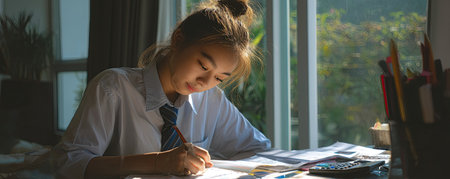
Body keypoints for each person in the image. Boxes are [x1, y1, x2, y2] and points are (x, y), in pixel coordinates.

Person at [51, 0, 271, 178]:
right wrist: (156, 162)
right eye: (203, 66)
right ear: (178, 40)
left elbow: (260, 151)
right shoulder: (112, 88)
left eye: (219, 78)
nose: (205, 82)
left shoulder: (210, 99)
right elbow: (69, 164)